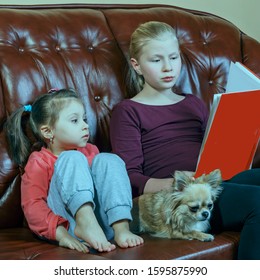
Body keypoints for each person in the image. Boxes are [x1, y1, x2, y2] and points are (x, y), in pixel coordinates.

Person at [110, 21, 260, 260]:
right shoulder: (127, 111)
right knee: (257, 201)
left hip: (212, 183)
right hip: (182, 197)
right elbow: (129, 177)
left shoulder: (193, 103)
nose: (168, 67)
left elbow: (213, 150)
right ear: (136, 66)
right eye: (156, 60)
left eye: (174, 57)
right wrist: (179, 184)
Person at [5, 88, 143, 254]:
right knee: (71, 158)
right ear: (48, 131)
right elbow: (32, 206)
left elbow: (107, 186)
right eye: (74, 121)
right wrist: (62, 235)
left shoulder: (91, 150)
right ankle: (84, 221)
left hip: (102, 227)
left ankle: (121, 227)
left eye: (84, 119)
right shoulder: (39, 161)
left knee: (109, 160)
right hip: (68, 227)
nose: (85, 126)